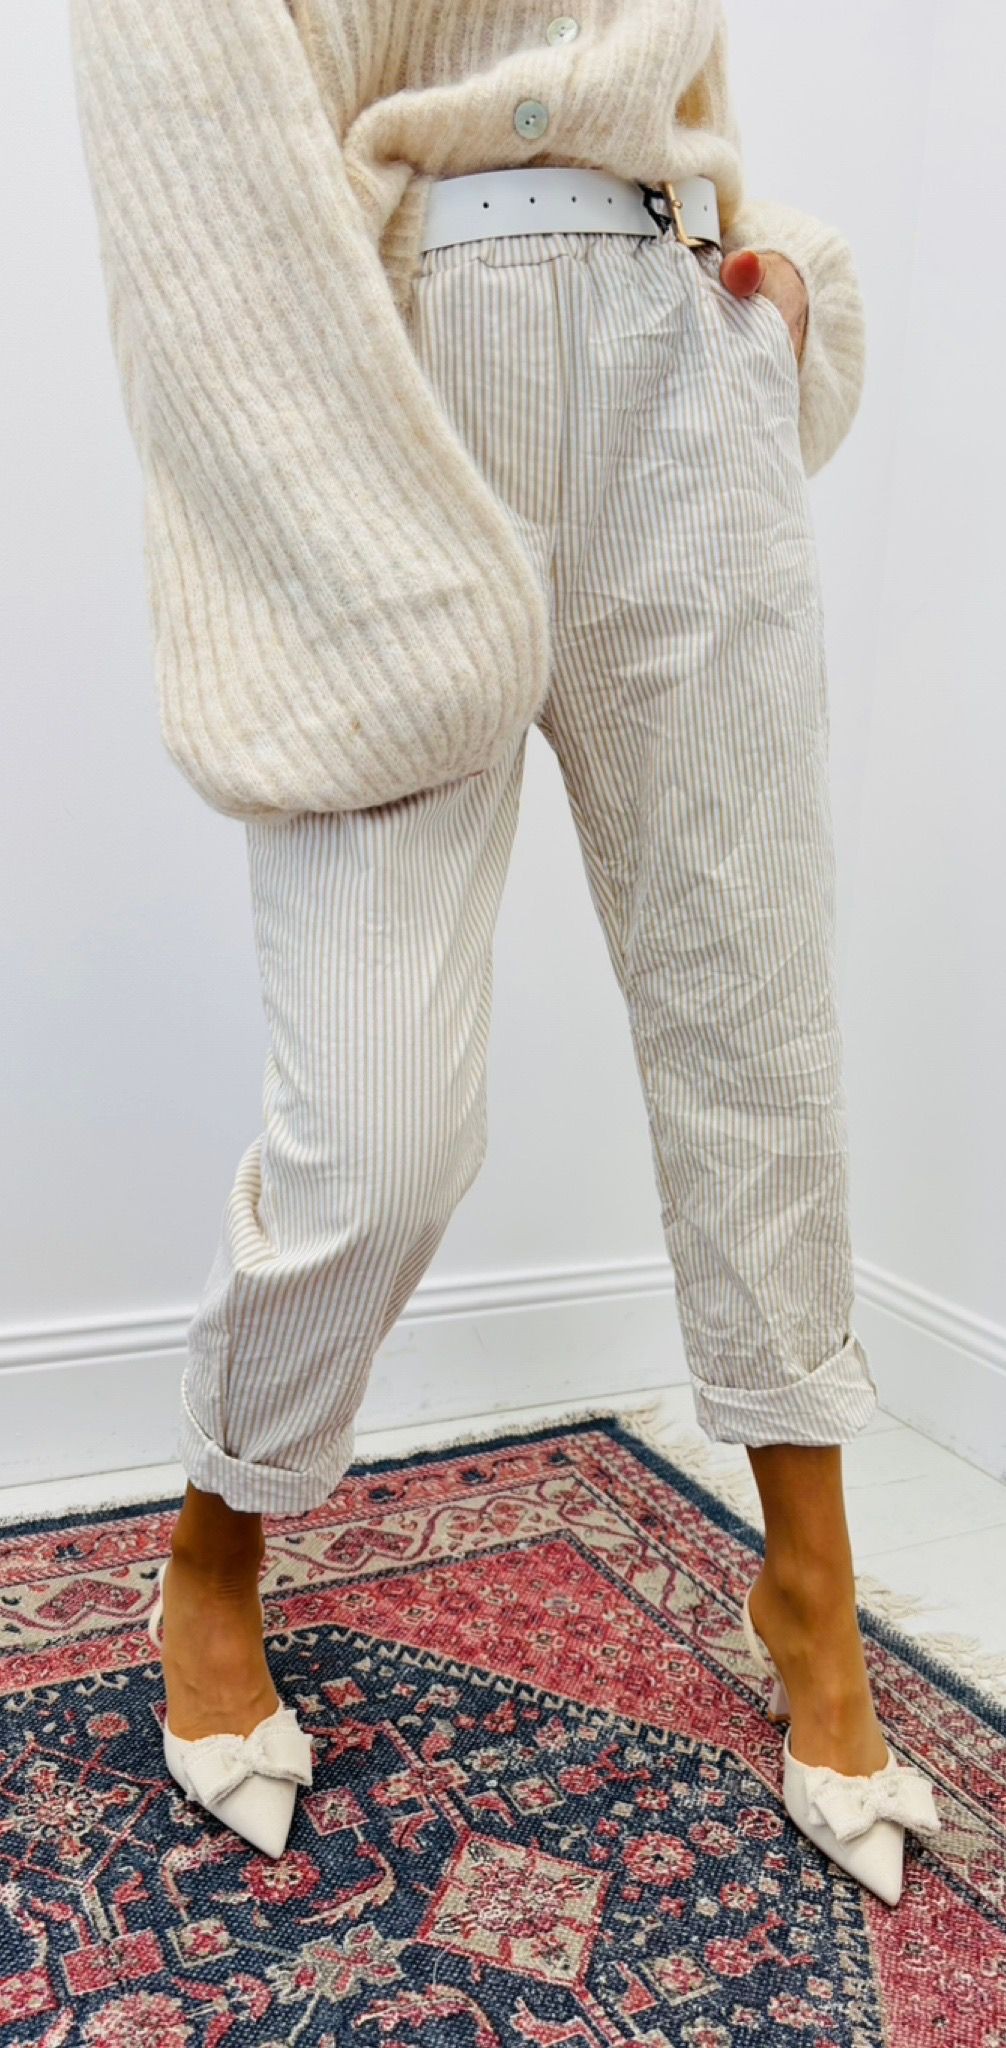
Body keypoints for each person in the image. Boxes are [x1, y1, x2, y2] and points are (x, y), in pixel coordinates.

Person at [70, 0, 940, 1899]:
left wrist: (775, 282)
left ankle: (809, 1583)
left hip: (674, 360)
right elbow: (197, 179)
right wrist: (373, 526)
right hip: (393, 392)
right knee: (378, 1141)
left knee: (755, 1021)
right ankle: (218, 1537)